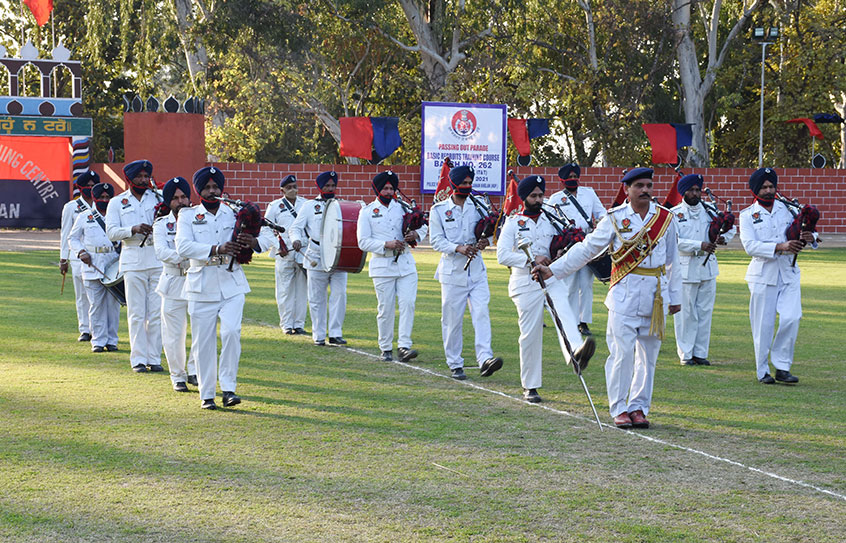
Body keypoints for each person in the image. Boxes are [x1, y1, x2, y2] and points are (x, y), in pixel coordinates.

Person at [533, 168, 681, 429]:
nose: (645, 190)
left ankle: (638, 407)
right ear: (627, 189)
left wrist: (675, 297)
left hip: (656, 297)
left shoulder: (665, 219)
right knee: (621, 355)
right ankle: (619, 407)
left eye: (648, 185)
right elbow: (586, 249)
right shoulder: (614, 219)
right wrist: (553, 270)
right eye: (639, 186)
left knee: (648, 358)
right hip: (624, 295)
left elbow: (673, 261)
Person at [175, 166, 273, 409]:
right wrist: (215, 249)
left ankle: (229, 389)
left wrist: (254, 241)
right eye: (207, 187)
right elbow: (182, 247)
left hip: (232, 283)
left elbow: (268, 234)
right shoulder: (188, 215)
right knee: (203, 342)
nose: (212, 191)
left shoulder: (235, 211)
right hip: (201, 284)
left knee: (231, 332)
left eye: (216, 187)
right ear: (198, 190)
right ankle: (207, 394)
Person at [497, 175, 595, 403]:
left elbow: (559, 245)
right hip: (525, 282)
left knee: (564, 310)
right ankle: (530, 386)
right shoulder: (513, 223)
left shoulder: (552, 219)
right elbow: (502, 255)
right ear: (524, 198)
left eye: (541, 195)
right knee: (531, 334)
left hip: (550, 277)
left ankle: (576, 351)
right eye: (534, 196)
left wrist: (559, 253)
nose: (539, 200)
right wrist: (530, 260)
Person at [739, 167, 816, 385]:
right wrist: (780, 246)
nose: (768, 190)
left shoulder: (789, 209)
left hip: (789, 272)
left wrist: (810, 237)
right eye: (764, 187)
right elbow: (750, 246)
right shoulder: (747, 215)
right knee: (763, 326)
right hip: (763, 275)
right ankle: (762, 370)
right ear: (755, 190)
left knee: (792, 317)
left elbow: (805, 229)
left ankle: (782, 367)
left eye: (771, 186)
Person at [429, 165, 503, 380]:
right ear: (453, 184)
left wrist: (486, 242)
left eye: (470, 183)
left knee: (481, 313)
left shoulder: (479, 205)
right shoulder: (439, 210)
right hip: (453, 273)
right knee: (452, 320)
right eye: (463, 183)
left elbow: (490, 231)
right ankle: (455, 362)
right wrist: (458, 248)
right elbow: (436, 240)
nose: (467, 186)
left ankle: (485, 359)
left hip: (477, 271)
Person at [357, 171, 427, 362]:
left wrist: (416, 234)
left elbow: (423, 225)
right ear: (377, 189)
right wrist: (385, 244)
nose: (389, 192)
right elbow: (363, 242)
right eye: (385, 188)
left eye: (391, 188)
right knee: (386, 308)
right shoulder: (367, 212)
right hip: (382, 265)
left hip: (405, 263)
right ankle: (385, 346)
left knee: (408, 304)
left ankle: (404, 346)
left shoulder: (403, 207)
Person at [671, 173, 736, 366]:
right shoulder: (674, 214)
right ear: (683, 192)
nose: (695, 193)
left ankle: (700, 353)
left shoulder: (710, 210)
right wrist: (699, 245)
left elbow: (729, 228)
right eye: (691, 190)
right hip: (686, 267)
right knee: (686, 314)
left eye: (698, 190)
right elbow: (674, 241)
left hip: (708, 267)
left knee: (704, 312)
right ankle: (686, 354)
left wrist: (723, 238)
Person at [105, 159, 164, 373]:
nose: (143, 180)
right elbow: (111, 232)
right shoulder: (117, 202)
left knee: (156, 313)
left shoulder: (159, 198)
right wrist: (133, 229)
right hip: (132, 261)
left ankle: (154, 358)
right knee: (137, 313)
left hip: (156, 260)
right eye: (139, 176)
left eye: (146, 176)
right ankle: (138, 359)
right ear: (129, 179)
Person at [546, 163, 607, 336]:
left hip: (587, 242)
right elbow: (550, 224)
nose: (573, 179)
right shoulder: (555, 199)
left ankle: (584, 321)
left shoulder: (589, 193)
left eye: (575, 176)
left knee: (586, 284)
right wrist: (557, 248)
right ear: (562, 180)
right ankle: (571, 321)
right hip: (568, 245)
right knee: (570, 284)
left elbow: (602, 213)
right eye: (569, 177)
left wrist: (601, 227)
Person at [289, 171, 348, 346]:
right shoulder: (309, 206)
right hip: (316, 254)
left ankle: (336, 333)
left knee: (339, 295)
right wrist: (296, 240)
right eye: (327, 186)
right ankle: (319, 335)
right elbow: (295, 228)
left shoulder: (341, 205)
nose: (330, 189)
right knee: (316, 298)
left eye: (333, 185)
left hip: (338, 255)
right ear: (319, 187)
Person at [153, 177, 198, 392]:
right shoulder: (161, 224)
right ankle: (177, 375)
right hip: (172, 281)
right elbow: (161, 252)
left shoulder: (199, 220)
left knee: (201, 329)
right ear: (168, 202)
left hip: (197, 280)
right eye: (175, 198)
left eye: (184, 197)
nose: (181, 201)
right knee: (173, 334)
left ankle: (195, 370)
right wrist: (188, 255)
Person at [68, 182, 120, 353]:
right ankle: (98, 340)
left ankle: (112, 340)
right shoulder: (84, 216)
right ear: (94, 198)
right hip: (93, 265)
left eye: (107, 197)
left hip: (113, 264)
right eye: (101, 197)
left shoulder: (117, 215)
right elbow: (72, 238)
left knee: (113, 306)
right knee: (96, 305)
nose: (104, 200)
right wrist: (81, 252)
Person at [264, 174, 308, 335]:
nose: (293, 190)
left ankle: (299, 324)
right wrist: (277, 246)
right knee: (285, 290)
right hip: (284, 252)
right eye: (289, 188)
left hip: (303, 251)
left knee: (302, 290)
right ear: (282, 190)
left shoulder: (306, 204)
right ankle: (287, 324)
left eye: (295, 187)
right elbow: (265, 228)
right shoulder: (275, 206)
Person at [60, 171, 98, 342]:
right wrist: (63, 258)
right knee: (82, 295)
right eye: (87, 186)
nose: (90, 188)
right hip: (78, 257)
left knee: (98, 296)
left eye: (93, 186)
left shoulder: (102, 205)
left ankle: (98, 329)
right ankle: (85, 329)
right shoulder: (71, 207)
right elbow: (65, 234)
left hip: (99, 256)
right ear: (80, 188)